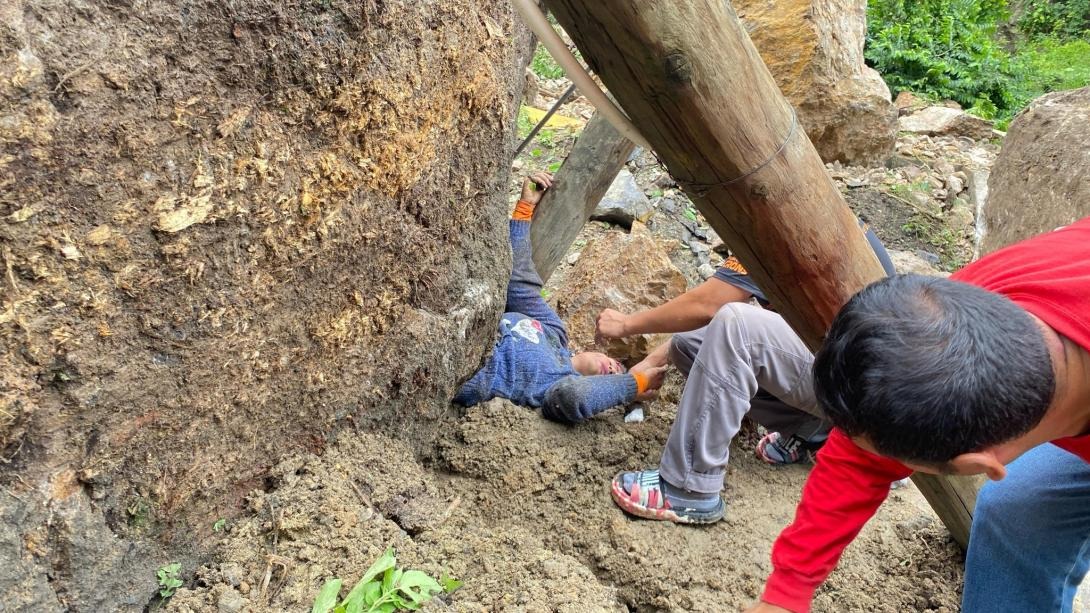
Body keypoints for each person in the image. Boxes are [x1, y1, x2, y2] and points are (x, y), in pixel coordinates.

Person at [745, 217, 1090, 613]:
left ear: (977, 463)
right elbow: (862, 451)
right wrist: (787, 591)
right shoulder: (954, 315)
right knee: (1017, 510)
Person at [600, 222, 896, 523]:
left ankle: (688, 487)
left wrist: (626, 325)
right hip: (847, 378)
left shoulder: (776, 221)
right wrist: (654, 359)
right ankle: (813, 431)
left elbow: (709, 304)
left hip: (878, 404)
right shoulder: (801, 211)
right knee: (688, 345)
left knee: (736, 326)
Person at [454, 172, 668, 424]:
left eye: (612, 377)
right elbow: (519, 284)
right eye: (615, 365)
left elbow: (575, 398)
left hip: (459, 370)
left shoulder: (558, 389)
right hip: (464, 326)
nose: (611, 369)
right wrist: (524, 209)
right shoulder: (555, 333)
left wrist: (634, 384)